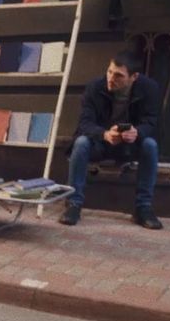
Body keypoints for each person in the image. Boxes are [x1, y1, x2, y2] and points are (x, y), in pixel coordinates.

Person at [62, 51, 164, 229]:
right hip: (101, 141)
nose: (111, 78)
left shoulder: (150, 89)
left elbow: (152, 122)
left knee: (150, 145)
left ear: (134, 77)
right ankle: (73, 204)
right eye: (109, 72)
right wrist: (105, 134)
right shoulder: (95, 87)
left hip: (130, 144)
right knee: (80, 143)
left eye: (118, 75)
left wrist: (137, 132)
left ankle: (143, 208)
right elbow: (85, 123)